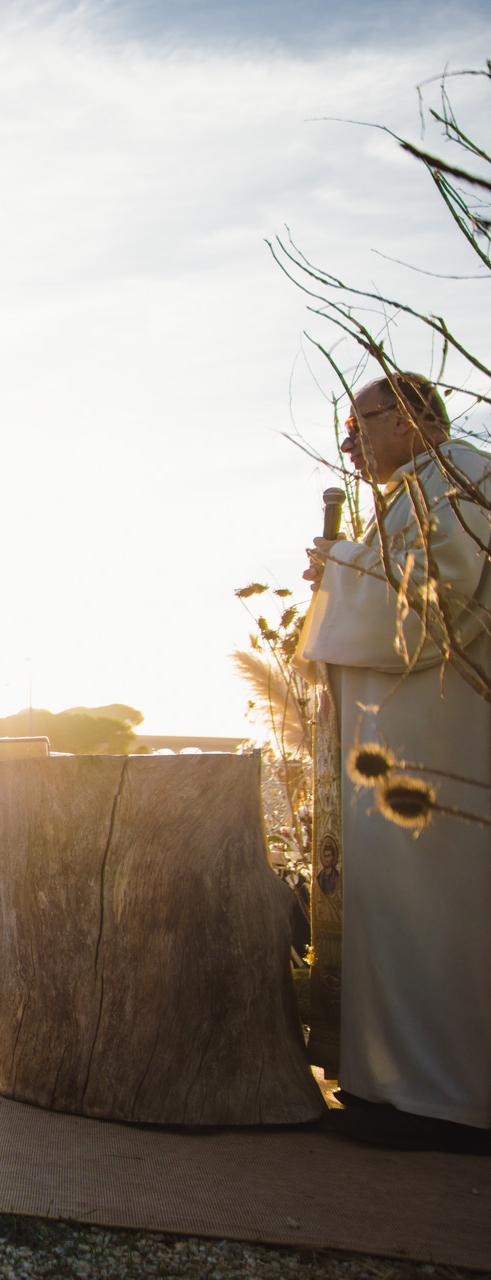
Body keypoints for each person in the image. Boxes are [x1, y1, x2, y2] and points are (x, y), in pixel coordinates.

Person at [301, 372, 491, 1153]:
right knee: (401, 908)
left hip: (435, 743)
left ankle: (438, 1098)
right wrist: (345, 573)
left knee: (431, 909)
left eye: (361, 422)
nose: (349, 442)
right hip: (416, 737)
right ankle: (398, 1084)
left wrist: (344, 570)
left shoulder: (451, 482)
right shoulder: (429, 484)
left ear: (414, 419)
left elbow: (440, 598)